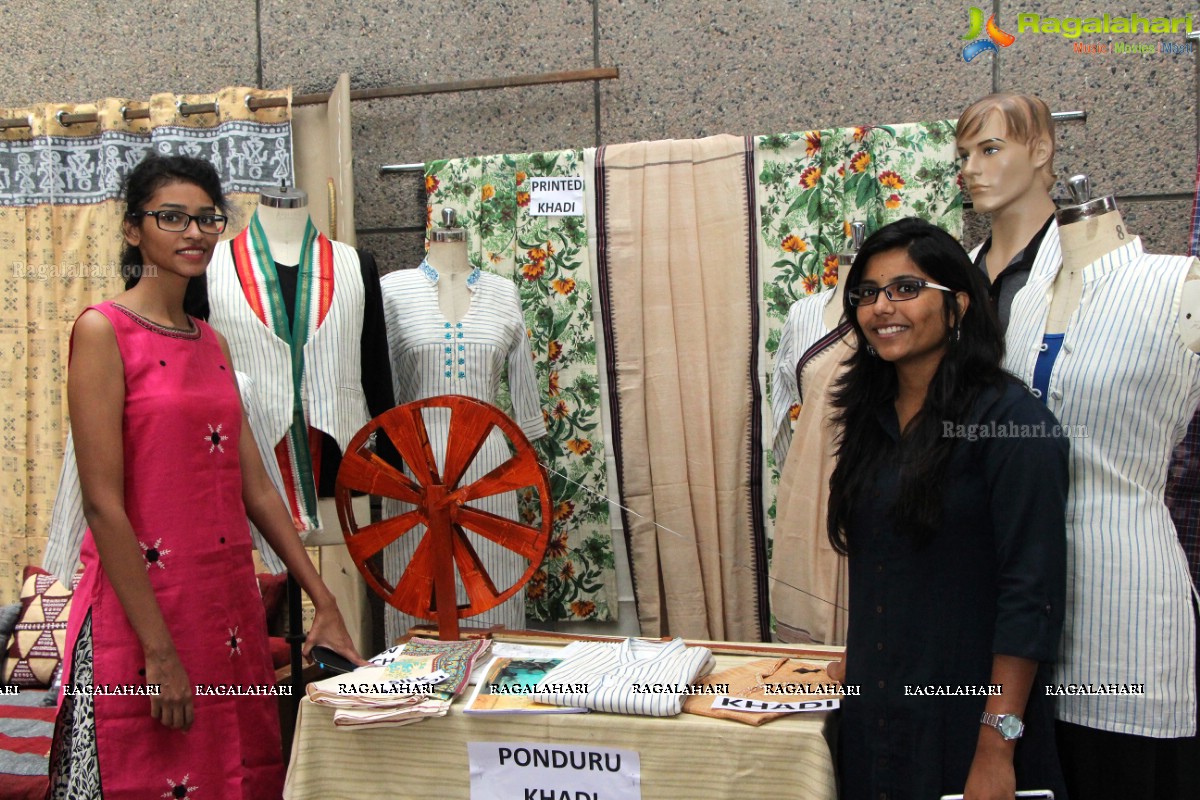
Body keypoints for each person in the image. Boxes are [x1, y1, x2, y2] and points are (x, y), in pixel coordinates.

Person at [45, 154, 363, 800]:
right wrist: (158, 652)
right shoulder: (103, 332)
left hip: (225, 619)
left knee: (234, 777)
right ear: (134, 230)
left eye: (206, 219)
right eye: (172, 218)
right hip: (140, 625)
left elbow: (259, 488)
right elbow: (103, 508)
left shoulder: (211, 343)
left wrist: (324, 601)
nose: (193, 233)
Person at [825, 218, 1069, 799]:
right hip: (875, 717)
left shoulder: (1011, 421)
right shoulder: (869, 417)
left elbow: (1030, 594)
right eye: (867, 294)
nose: (882, 306)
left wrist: (996, 746)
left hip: (968, 729)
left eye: (906, 289)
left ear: (957, 304)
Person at [955, 92, 1057, 329]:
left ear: (1041, 152)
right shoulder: (966, 269)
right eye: (964, 155)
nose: (969, 169)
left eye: (990, 150)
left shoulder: (1084, 260)